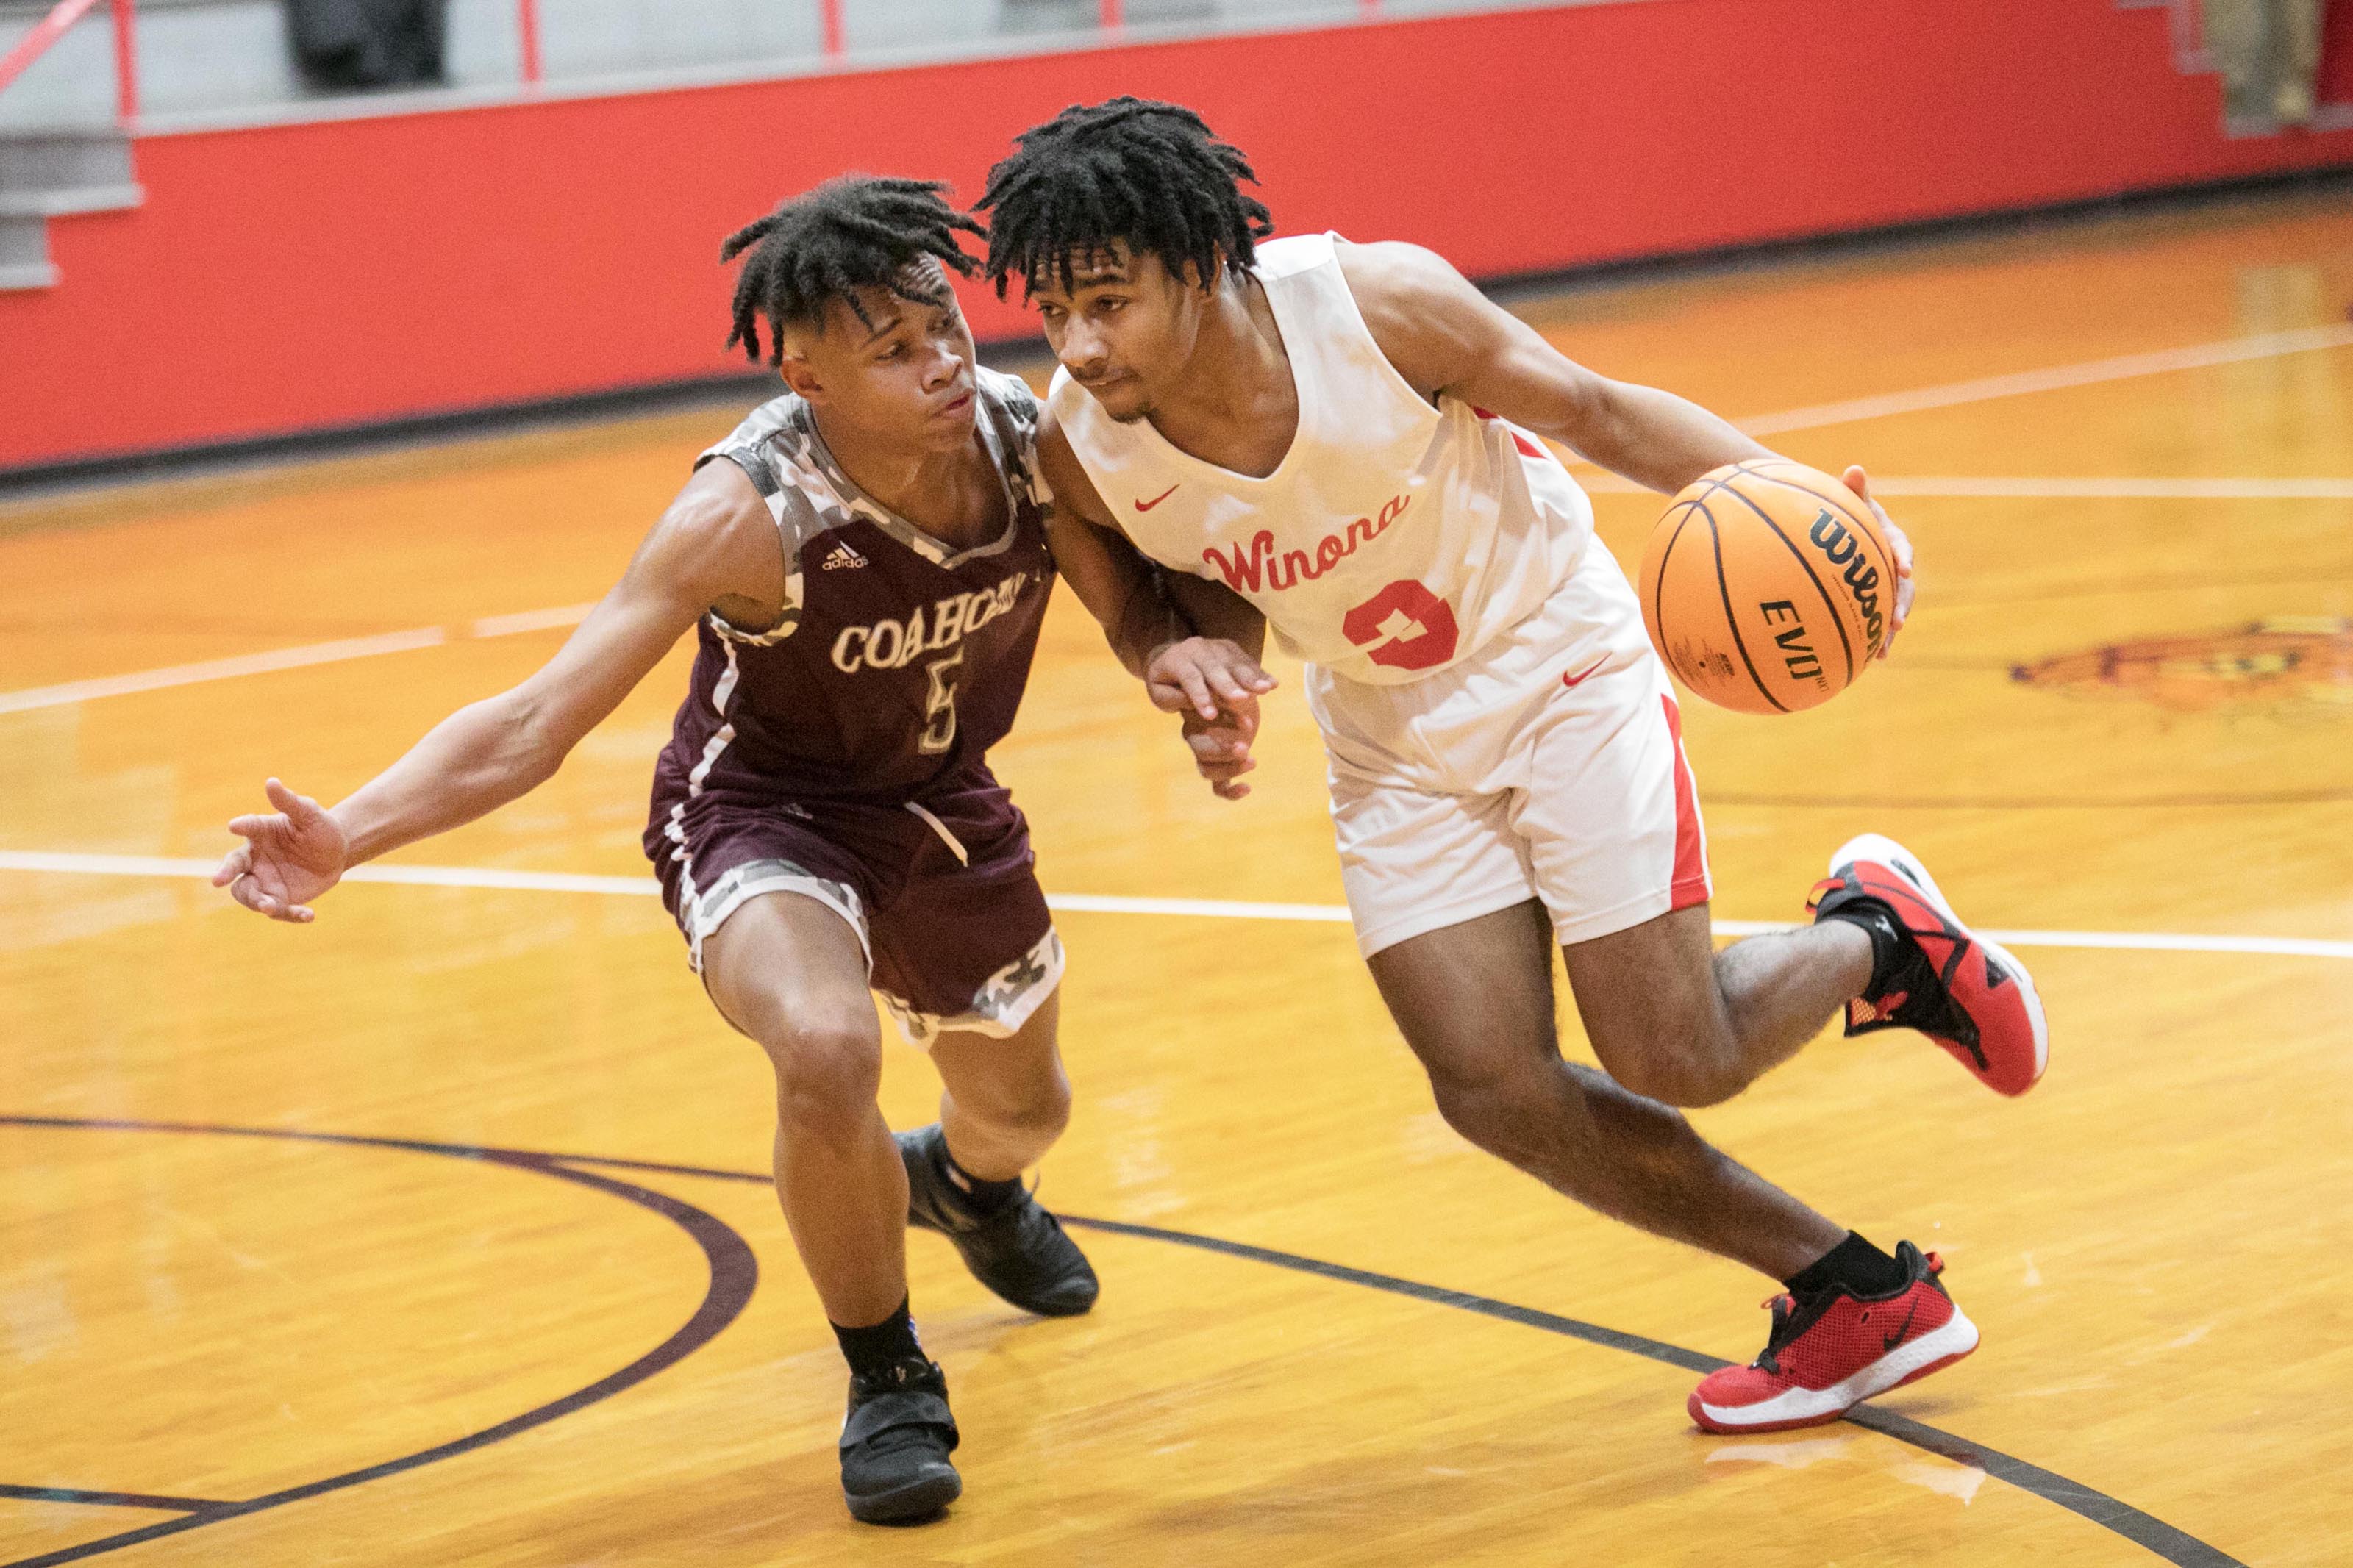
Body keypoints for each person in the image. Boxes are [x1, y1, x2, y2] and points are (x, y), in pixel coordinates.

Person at [980, 99, 2050, 1435]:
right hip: (1385, 724)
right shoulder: (1082, 442)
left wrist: (1824, 514)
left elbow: (1601, 413)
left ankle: (1876, 937)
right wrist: (1175, 657)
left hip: (1553, 659)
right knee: (1488, 1085)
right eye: (1054, 312)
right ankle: (1855, 1292)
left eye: (1108, 303)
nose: (1078, 346)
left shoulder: (1377, 308)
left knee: (1677, 1052)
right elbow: (1161, 573)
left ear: (1200, 265)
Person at [209, 175, 1204, 1522]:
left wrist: (1174, 658)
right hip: (762, 812)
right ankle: (889, 1374)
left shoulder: (1029, 443)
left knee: (1030, 1111)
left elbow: (1135, 599)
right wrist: (353, 832)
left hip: (940, 801)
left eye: (947, 327)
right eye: (894, 351)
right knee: (826, 1044)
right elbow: (536, 721)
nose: (941, 364)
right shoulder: (748, 510)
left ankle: (968, 1187)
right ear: (807, 378)